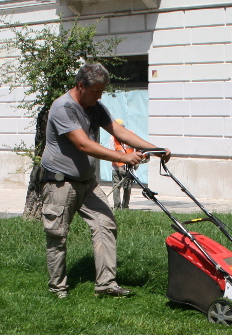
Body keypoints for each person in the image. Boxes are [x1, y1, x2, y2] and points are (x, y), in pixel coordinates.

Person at [39, 62, 170, 299]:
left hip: (87, 183)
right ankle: (58, 288)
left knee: (106, 224)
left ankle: (106, 284)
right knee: (58, 235)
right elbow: (83, 144)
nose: (100, 96)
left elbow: (121, 132)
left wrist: (156, 149)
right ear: (81, 85)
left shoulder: (94, 106)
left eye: (102, 91)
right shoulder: (63, 108)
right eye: (97, 91)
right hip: (60, 182)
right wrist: (123, 156)